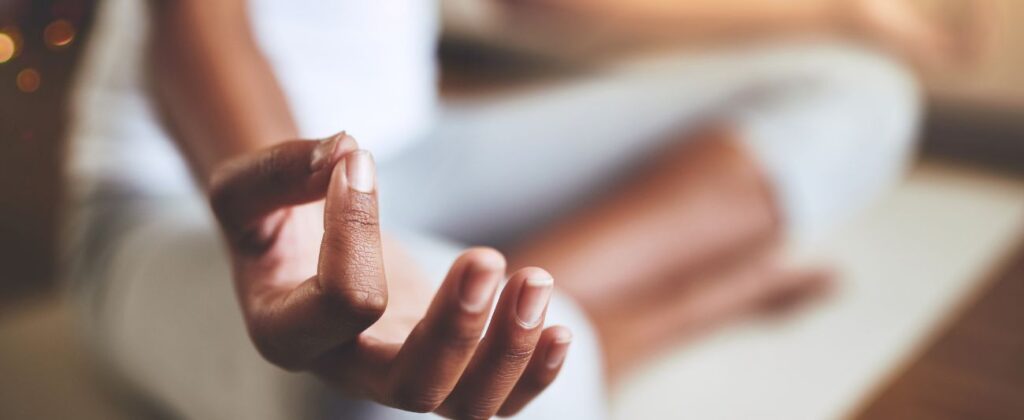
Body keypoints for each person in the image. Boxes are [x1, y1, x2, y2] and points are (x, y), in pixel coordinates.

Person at [63, 0, 981, 418]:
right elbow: (196, 25)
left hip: (421, 157)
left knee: (855, 92)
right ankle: (633, 323)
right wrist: (303, 240)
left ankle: (511, 317)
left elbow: (539, 7)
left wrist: (842, 13)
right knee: (383, 409)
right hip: (178, 204)